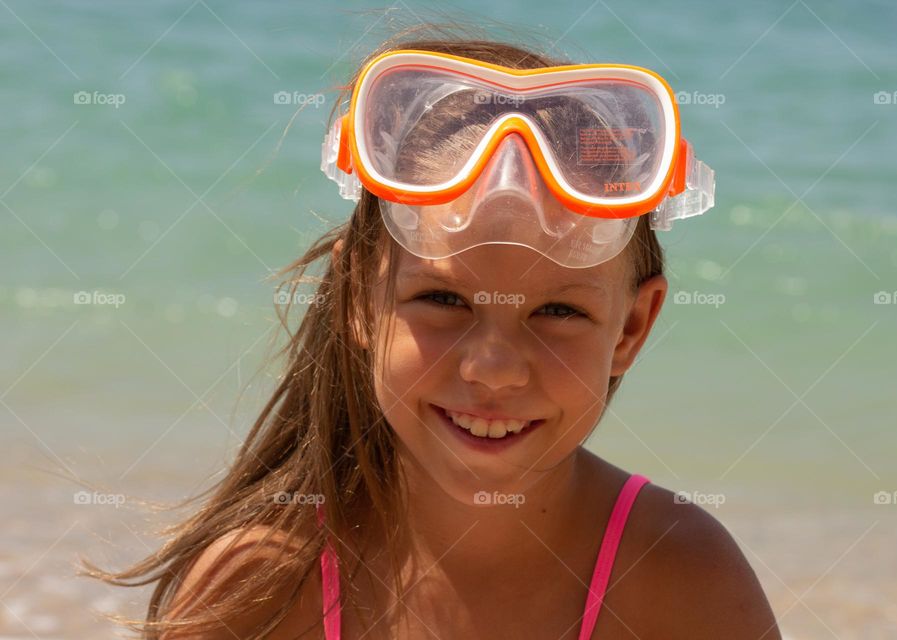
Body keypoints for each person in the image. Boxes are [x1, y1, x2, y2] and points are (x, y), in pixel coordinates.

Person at [88, 31, 779, 640]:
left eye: (558, 313)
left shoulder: (685, 582)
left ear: (632, 327)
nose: (495, 368)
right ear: (359, 295)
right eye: (443, 299)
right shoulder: (259, 591)